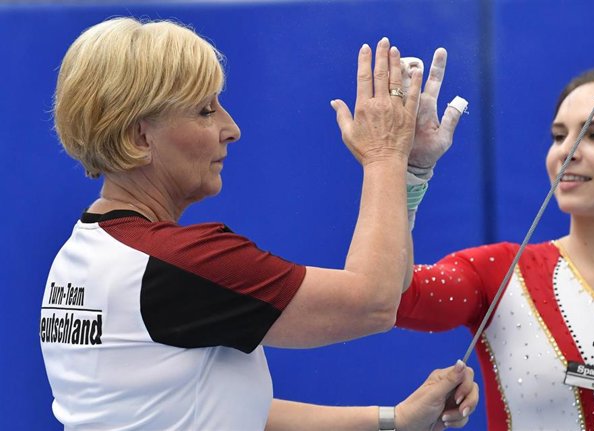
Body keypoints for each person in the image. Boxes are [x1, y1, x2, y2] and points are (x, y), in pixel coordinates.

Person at [39, 17, 479, 430]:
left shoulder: (81, 257)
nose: (231, 128)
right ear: (139, 137)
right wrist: (386, 153)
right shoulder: (177, 263)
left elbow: (230, 409)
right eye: (205, 111)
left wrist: (393, 420)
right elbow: (375, 302)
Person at [396, 67, 594, 430]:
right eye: (558, 135)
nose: (566, 151)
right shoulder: (497, 273)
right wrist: (408, 173)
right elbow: (395, 297)